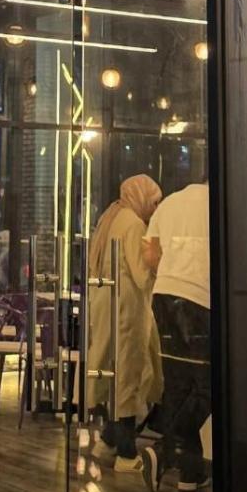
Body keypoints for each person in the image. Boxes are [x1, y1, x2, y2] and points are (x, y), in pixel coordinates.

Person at [140, 179, 210, 492]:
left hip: (164, 295)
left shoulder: (169, 203)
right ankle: (166, 450)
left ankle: (190, 473)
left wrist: (173, 269)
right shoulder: (220, 204)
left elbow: (150, 254)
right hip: (200, 301)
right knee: (210, 384)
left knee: (179, 385)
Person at [88, 174, 163, 470]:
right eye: (154, 202)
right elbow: (141, 274)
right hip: (127, 309)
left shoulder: (111, 216)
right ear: (141, 197)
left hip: (107, 306)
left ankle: (108, 440)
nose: (155, 209)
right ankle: (126, 453)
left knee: (114, 376)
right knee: (129, 377)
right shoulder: (134, 224)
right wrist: (158, 258)